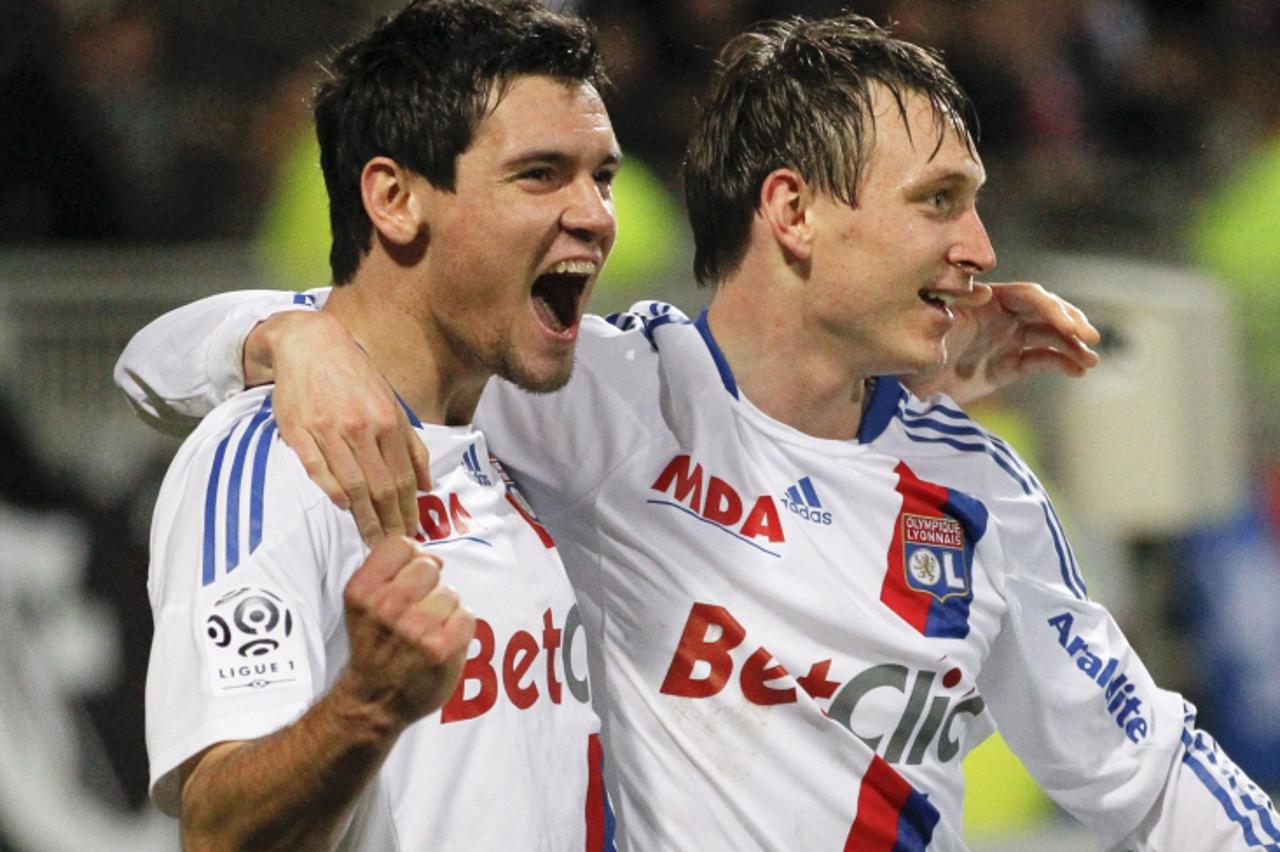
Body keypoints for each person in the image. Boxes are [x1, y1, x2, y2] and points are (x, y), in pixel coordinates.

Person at [117, 10, 1280, 851]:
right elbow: (216, 356)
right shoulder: (597, 397)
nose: (980, 246)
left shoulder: (979, 486)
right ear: (790, 212)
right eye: (937, 203)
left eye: (603, 177)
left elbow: (1147, 767)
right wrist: (283, 339)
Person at [134, 1, 619, 848]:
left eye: (602, 176)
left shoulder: (523, 421)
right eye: (541, 174)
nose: (597, 215)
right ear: (395, 199)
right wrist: (368, 705)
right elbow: (218, 829)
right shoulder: (279, 458)